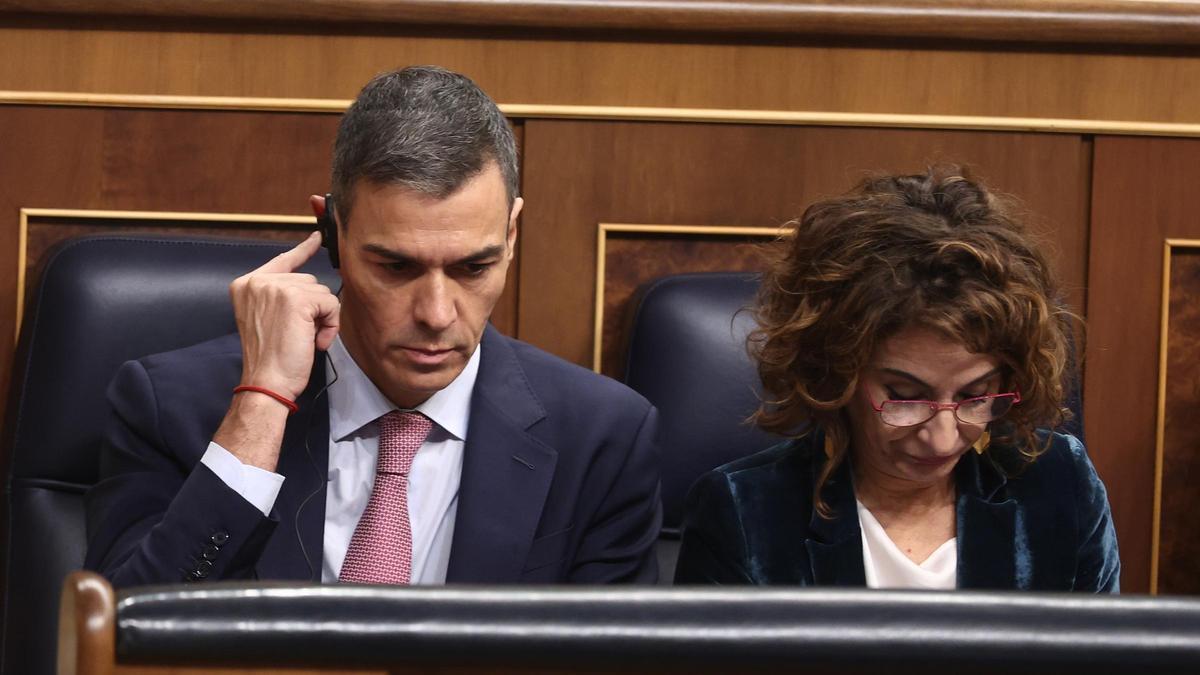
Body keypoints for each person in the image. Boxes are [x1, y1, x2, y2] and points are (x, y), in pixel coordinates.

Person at [84, 66, 661, 586]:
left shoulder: (602, 437)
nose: (437, 314)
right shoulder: (171, 407)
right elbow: (122, 635)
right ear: (332, 231)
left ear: (511, 235)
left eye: (473, 268)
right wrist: (261, 404)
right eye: (397, 267)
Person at [674, 167, 1119, 591]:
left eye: (975, 396)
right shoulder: (744, 511)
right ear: (836, 372)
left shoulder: (1062, 486)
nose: (942, 439)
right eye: (906, 397)